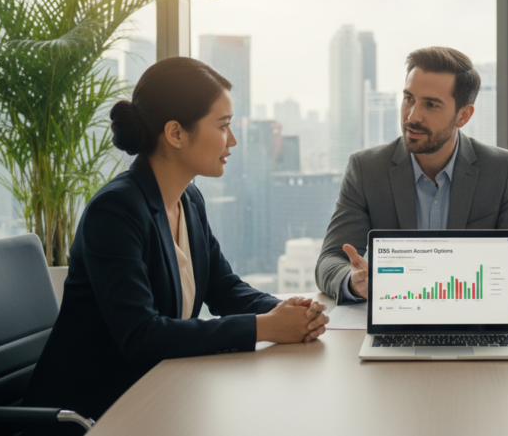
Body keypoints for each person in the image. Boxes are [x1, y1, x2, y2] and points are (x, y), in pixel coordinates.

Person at [25, 58, 329, 427]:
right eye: (223, 126)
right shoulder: (116, 211)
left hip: (160, 395)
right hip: (93, 413)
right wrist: (266, 327)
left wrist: (295, 313)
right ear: (175, 133)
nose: (232, 140)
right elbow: (141, 335)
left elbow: (222, 287)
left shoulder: (189, 199)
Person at [315, 46, 508, 303]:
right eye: (409, 99)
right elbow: (330, 260)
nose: (413, 116)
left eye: (431, 105)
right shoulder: (366, 169)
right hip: (397, 314)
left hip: (472, 315)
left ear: (463, 115)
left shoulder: (501, 169)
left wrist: (494, 285)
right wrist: (353, 281)